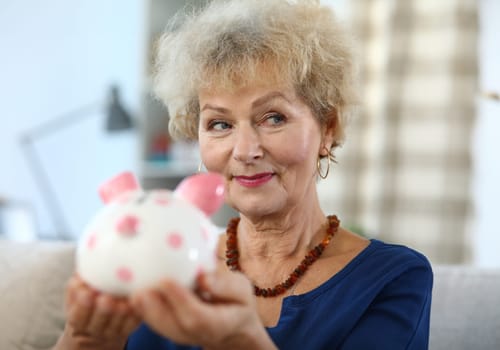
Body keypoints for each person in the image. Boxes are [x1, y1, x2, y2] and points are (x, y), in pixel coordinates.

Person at [54, 0, 433, 349]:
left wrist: (239, 340)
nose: (245, 150)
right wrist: (84, 339)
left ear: (327, 128)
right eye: (219, 124)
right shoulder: (155, 260)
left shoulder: (394, 278)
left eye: (273, 118)